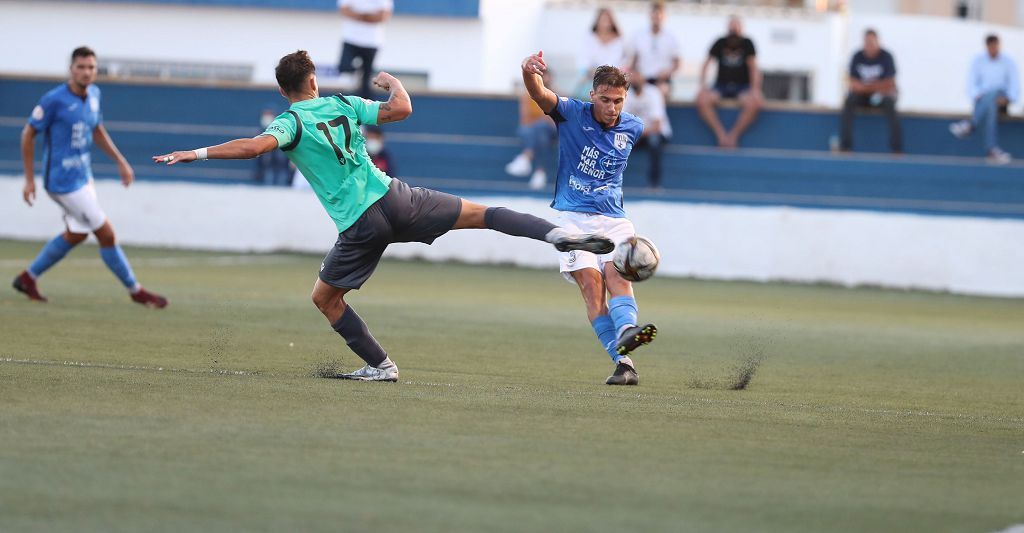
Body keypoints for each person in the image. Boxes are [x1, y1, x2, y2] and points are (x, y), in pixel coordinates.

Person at [153, 50, 614, 382]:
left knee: (325, 299)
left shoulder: (289, 122)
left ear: (284, 91)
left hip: (361, 222)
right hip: (397, 197)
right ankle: (559, 234)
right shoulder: (341, 104)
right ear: (313, 81)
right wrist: (393, 81)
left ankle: (381, 365)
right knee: (485, 213)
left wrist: (195, 152)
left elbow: (254, 148)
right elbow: (403, 108)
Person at [521, 51, 658, 386]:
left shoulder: (633, 127)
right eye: (607, 100)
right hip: (573, 221)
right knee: (591, 288)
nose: (613, 108)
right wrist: (529, 72)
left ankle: (628, 330)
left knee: (617, 276)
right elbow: (539, 94)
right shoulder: (570, 113)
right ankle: (624, 361)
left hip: (613, 220)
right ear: (593, 95)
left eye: (619, 101)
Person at [12, 46, 167, 308]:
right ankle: (135, 290)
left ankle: (27, 278)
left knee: (77, 234)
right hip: (62, 182)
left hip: (83, 177)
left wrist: (120, 161)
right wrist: (29, 179)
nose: (86, 72)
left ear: (96, 70)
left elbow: (96, 129)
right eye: (81, 67)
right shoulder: (54, 100)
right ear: (71, 69)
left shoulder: (94, 95)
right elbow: (28, 134)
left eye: (91, 67)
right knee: (106, 234)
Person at [950, 34, 1020, 165]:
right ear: (987, 46)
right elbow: (971, 84)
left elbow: (1014, 85)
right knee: (990, 102)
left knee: (993, 94)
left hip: (1002, 100)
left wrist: (1008, 98)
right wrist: (978, 95)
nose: (993, 49)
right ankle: (991, 150)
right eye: (991, 47)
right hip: (984, 100)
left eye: (995, 46)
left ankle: (971, 125)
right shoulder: (978, 61)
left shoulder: (1008, 62)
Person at [695, 16, 763, 148]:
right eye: (732, 27)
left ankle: (733, 136)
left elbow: (754, 68)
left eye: (736, 27)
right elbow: (706, 64)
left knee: (755, 103)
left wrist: (755, 90)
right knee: (702, 100)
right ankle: (720, 134)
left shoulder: (747, 43)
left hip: (742, 87)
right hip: (721, 86)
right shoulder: (720, 42)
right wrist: (702, 87)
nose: (734, 31)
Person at [839, 29, 902, 153]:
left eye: (872, 43)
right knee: (849, 101)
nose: (869, 46)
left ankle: (897, 149)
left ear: (878, 42)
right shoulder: (857, 56)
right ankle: (845, 147)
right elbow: (852, 82)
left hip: (881, 97)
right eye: (867, 43)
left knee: (891, 104)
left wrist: (866, 87)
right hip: (862, 97)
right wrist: (872, 87)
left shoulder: (886, 57)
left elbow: (890, 83)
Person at [505, 70, 557, 190]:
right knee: (528, 131)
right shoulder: (527, 95)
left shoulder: (554, 94)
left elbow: (552, 118)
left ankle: (526, 158)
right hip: (536, 130)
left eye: (546, 76)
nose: (544, 79)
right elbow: (525, 118)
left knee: (540, 128)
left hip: (552, 128)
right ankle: (540, 172)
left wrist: (540, 120)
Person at [337, 0, 392, 98]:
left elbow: (383, 16)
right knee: (344, 66)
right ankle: (357, 73)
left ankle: (366, 107)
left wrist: (358, 15)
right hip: (351, 38)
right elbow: (344, 10)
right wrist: (369, 16)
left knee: (366, 81)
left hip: (372, 42)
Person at [625, 81, 671, 190]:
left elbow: (657, 126)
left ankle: (654, 184)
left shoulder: (653, 93)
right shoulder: (625, 94)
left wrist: (637, 133)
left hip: (653, 134)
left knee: (654, 141)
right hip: (635, 134)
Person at [630, 1, 680, 99]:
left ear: (665, 16)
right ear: (650, 15)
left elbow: (677, 63)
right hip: (642, 78)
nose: (657, 17)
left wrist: (667, 72)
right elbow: (633, 62)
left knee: (661, 92)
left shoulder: (671, 37)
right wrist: (635, 76)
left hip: (662, 80)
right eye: (654, 13)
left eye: (660, 14)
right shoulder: (639, 35)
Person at [576, 8, 628, 96]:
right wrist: (591, 72)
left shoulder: (620, 40)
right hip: (591, 76)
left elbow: (622, 61)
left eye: (607, 20)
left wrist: (610, 74)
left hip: (614, 77)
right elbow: (583, 59)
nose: (605, 23)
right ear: (597, 21)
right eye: (602, 19)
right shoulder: (589, 37)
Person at [255, 107, 293, 185]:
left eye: (269, 114)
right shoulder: (262, 131)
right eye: (265, 114)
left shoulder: (281, 127)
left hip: (281, 163)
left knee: (281, 178)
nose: (266, 117)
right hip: (268, 164)